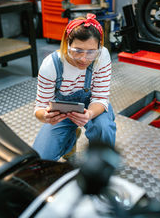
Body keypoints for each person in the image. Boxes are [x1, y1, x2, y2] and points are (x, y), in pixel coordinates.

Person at [33, 13, 116, 161]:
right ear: (67, 44)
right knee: (42, 159)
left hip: (91, 106)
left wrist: (89, 115)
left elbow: (101, 98)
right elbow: (39, 108)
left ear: (99, 47)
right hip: (61, 112)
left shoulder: (102, 56)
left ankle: (102, 161)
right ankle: (70, 139)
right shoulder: (50, 65)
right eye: (77, 51)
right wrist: (46, 116)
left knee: (103, 127)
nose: (84, 59)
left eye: (91, 52)